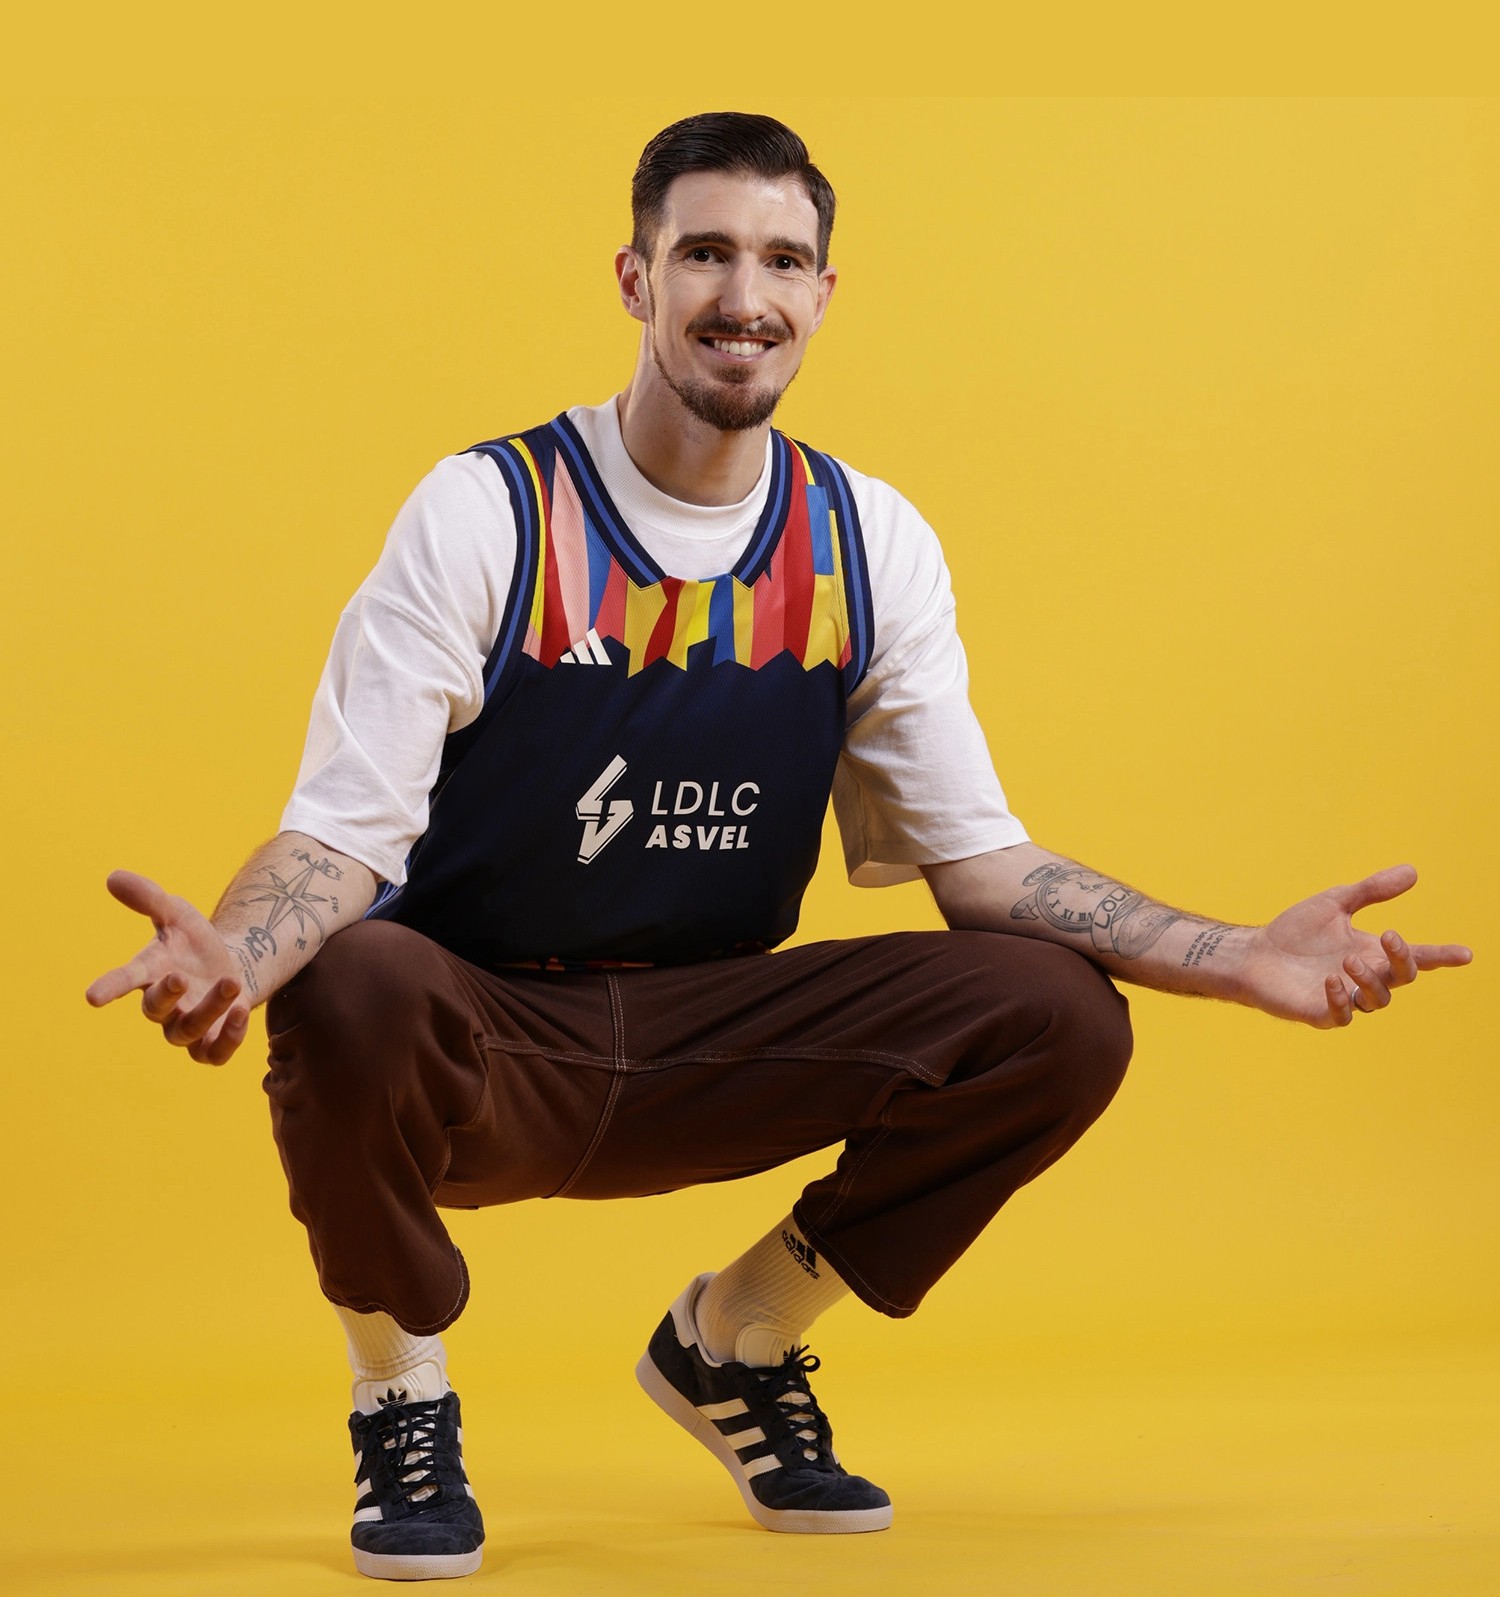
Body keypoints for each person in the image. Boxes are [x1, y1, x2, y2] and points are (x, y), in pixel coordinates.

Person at [86, 112, 1472, 1582]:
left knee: (1057, 1010)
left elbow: (984, 870)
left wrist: (1237, 954)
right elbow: (340, 836)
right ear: (635, 278)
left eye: (782, 260)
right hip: (493, 1046)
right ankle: (400, 1392)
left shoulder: (869, 540)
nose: (743, 295)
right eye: (705, 253)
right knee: (348, 974)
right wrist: (239, 953)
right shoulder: (490, 511)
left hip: (714, 1038)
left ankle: (735, 1340)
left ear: (822, 293)